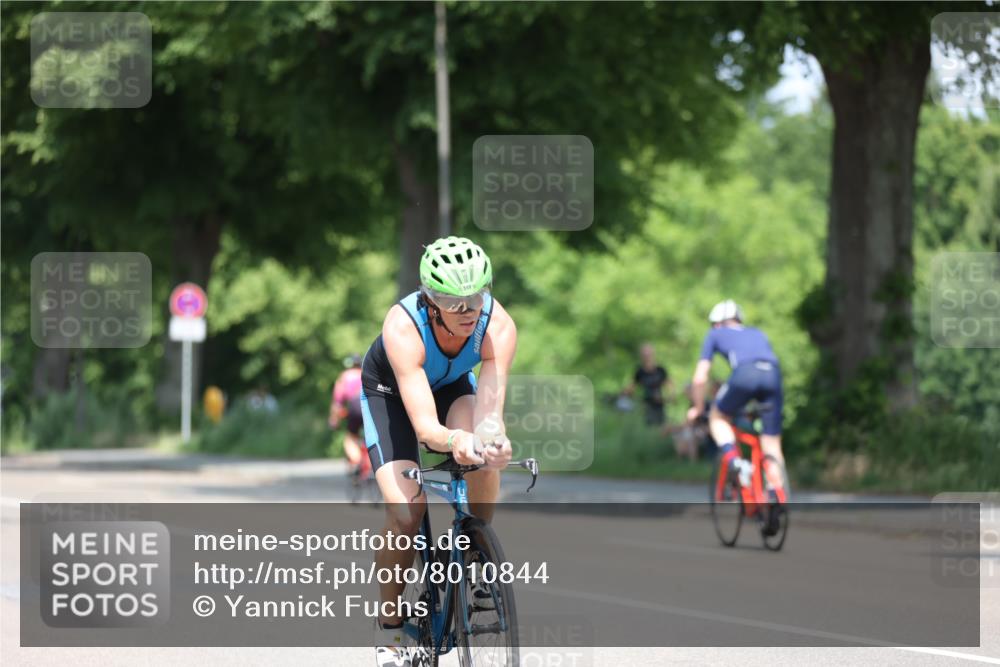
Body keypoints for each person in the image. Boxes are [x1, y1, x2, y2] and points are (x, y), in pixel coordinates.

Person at [359, 236, 516, 667]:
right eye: (453, 301)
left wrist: (490, 439)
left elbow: (489, 413)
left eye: (475, 298)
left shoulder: (497, 325)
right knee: (406, 510)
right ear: (431, 299)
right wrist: (453, 441)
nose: (467, 311)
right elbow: (427, 428)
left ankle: (476, 553)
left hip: (451, 387)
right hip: (391, 392)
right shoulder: (403, 326)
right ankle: (390, 628)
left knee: (483, 453)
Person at [685, 300, 787, 533]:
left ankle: (735, 462)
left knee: (717, 417)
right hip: (773, 376)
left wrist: (698, 407)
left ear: (717, 323)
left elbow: (701, 376)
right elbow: (763, 367)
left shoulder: (714, 334)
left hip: (745, 375)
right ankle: (776, 493)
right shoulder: (757, 333)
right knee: (771, 444)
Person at [329, 354, 367, 480]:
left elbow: (337, 401)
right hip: (370, 405)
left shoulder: (344, 376)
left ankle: (356, 461)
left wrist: (334, 420)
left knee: (350, 437)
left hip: (355, 405)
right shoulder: (367, 372)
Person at [624, 343, 672, 426]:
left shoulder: (660, 370)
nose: (647, 356)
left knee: (660, 425)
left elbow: (669, 385)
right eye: (644, 354)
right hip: (645, 405)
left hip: (659, 404)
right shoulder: (639, 371)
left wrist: (669, 397)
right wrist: (625, 393)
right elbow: (632, 386)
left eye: (648, 354)